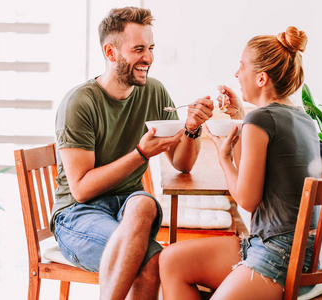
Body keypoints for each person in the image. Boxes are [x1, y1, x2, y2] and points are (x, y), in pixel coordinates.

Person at [50, 6, 213, 300]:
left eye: (150, 48)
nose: (148, 58)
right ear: (111, 53)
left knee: (144, 205)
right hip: (78, 214)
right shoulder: (80, 103)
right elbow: (82, 190)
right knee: (148, 262)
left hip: (128, 208)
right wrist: (140, 153)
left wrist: (191, 128)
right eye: (138, 49)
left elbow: (183, 164)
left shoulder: (154, 92)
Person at [159, 26, 322, 300]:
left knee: (172, 262)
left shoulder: (260, 120)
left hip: (278, 256)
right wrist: (240, 116)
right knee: (172, 260)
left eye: (242, 66)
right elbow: (252, 172)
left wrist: (222, 156)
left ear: (261, 78)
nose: (236, 74)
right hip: (289, 249)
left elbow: (247, 199)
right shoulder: (300, 117)